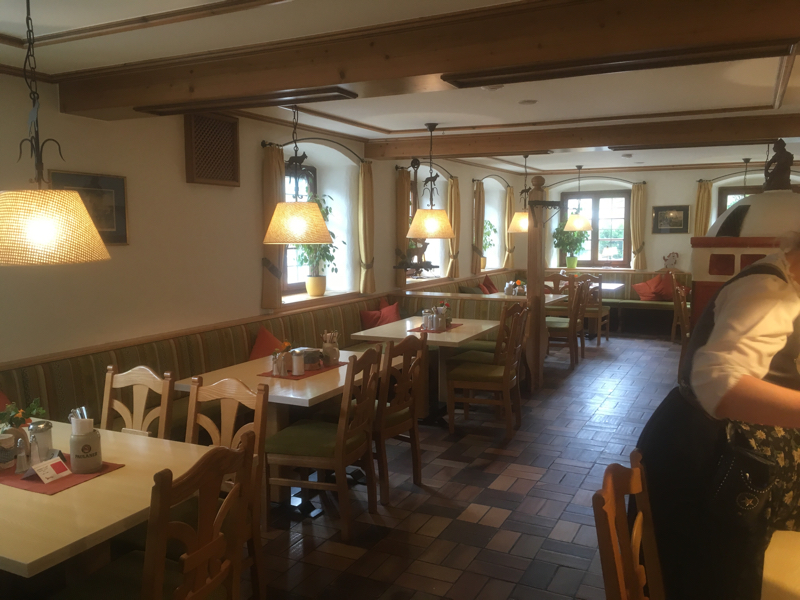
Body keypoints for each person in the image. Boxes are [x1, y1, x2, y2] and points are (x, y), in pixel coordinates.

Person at [637, 233, 800, 600]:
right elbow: (718, 382)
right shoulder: (769, 292)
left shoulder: (781, 279)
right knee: (706, 577)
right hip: (709, 459)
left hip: (704, 441)